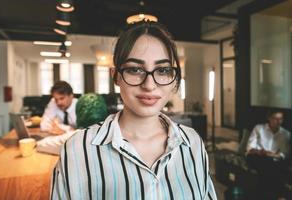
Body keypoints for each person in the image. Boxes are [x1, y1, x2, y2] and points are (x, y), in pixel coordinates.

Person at [51, 21, 217, 199]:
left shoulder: (192, 142)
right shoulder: (78, 149)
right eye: (135, 69)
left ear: (173, 77)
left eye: (162, 70)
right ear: (115, 76)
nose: (149, 85)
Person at [246, 110, 291, 200]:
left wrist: (271, 155)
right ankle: (279, 196)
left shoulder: (286, 134)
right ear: (269, 118)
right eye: (275, 118)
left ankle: (263, 196)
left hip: (273, 161)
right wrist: (261, 152)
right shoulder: (259, 128)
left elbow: (284, 154)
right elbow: (250, 149)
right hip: (256, 156)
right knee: (269, 164)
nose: (278, 122)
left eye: (281, 119)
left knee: (270, 166)